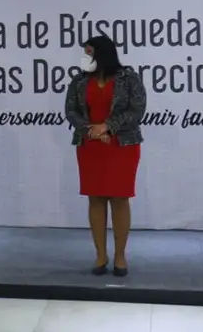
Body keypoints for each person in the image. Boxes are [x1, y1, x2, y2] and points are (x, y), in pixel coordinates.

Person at [64, 35, 147, 277]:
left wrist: (108, 126)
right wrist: (90, 129)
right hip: (90, 145)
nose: (86, 57)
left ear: (104, 54)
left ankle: (120, 256)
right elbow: (71, 111)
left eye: (90, 52)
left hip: (121, 145)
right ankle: (100, 255)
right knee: (96, 199)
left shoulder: (128, 78)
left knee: (120, 199)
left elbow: (137, 109)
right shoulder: (79, 81)